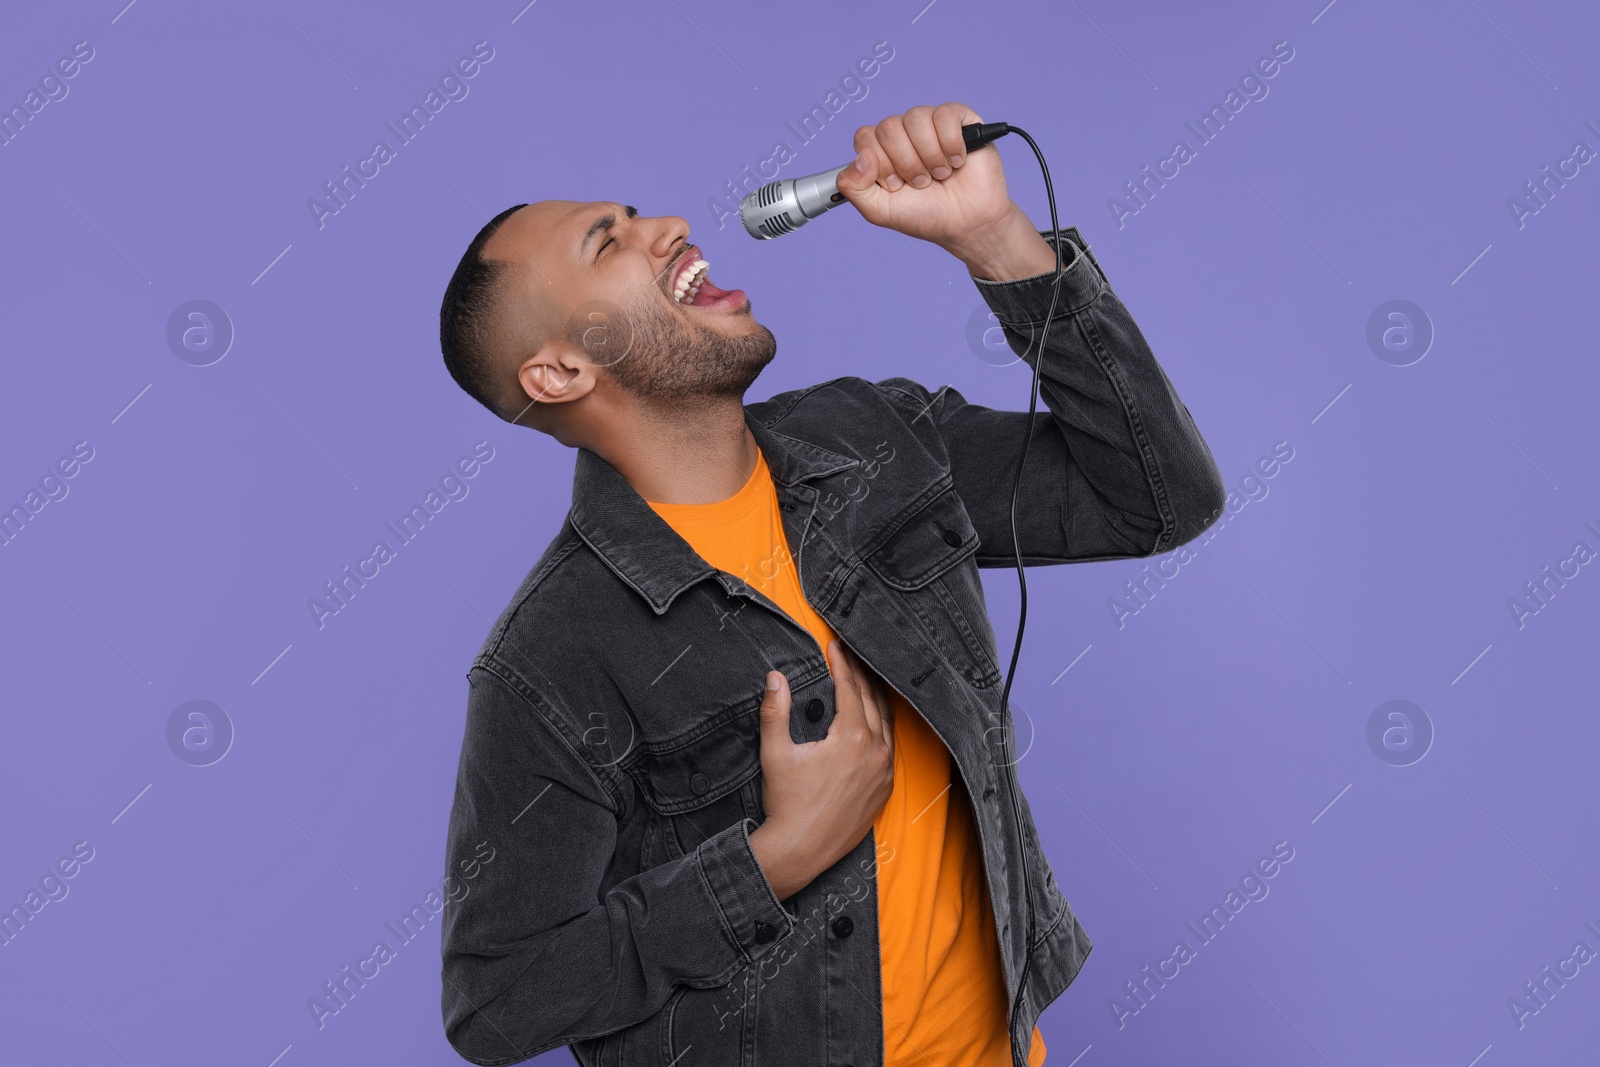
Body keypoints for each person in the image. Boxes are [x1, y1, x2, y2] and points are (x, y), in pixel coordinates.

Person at [436, 101, 1226, 1067]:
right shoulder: (551, 656)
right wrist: (777, 858)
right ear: (559, 369)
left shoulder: (875, 439)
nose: (665, 226)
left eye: (636, 211)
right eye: (609, 243)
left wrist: (996, 241)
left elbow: (1160, 499)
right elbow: (499, 1000)